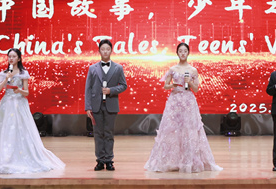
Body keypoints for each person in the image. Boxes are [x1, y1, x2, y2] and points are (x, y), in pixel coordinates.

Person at [0, 48, 65, 174]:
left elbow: (26, 92)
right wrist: (6, 79)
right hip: (7, 104)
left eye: (14, 56)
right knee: (5, 130)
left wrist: (19, 90)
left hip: (19, 104)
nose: (11, 59)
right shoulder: (4, 73)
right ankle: (5, 157)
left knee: (21, 129)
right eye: (9, 56)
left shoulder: (23, 73)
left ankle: (22, 156)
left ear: (19, 58)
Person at [144, 42, 222, 173]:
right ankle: (172, 161)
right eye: (180, 51)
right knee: (172, 129)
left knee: (189, 129)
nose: (183, 53)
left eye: (185, 51)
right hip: (174, 101)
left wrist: (189, 81)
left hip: (188, 101)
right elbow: (166, 86)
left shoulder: (193, 70)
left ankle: (189, 161)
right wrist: (173, 85)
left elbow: (196, 89)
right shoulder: (172, 69)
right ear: (177, 53)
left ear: (188, 53)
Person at [85, 38, 128, 171]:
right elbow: (88, 88)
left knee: (109, 133)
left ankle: (109, 160)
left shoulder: (118, 68)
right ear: (99, 51)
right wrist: (88, 107)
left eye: (107, 49)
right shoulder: (92, 68)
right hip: (96, 106)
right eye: (103, 49)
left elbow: (124, 85)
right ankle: (100, 160)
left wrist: (111, 90)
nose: (105, 51)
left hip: (111, 105)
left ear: (111, 51)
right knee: (98, 134)